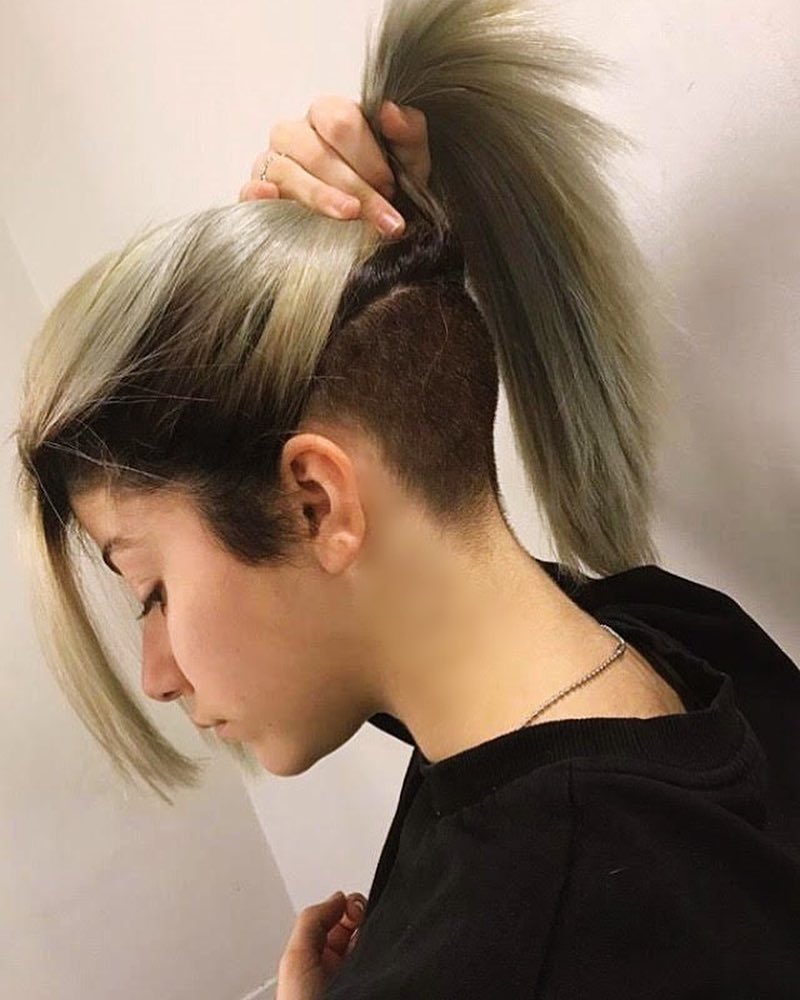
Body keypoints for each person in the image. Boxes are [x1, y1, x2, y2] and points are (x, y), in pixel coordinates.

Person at [13, 0, 800, 997]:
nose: (157, 675)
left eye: (151, 590)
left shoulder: (505, 948)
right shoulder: (670, 636)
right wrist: (360, 259)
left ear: (315, 502)